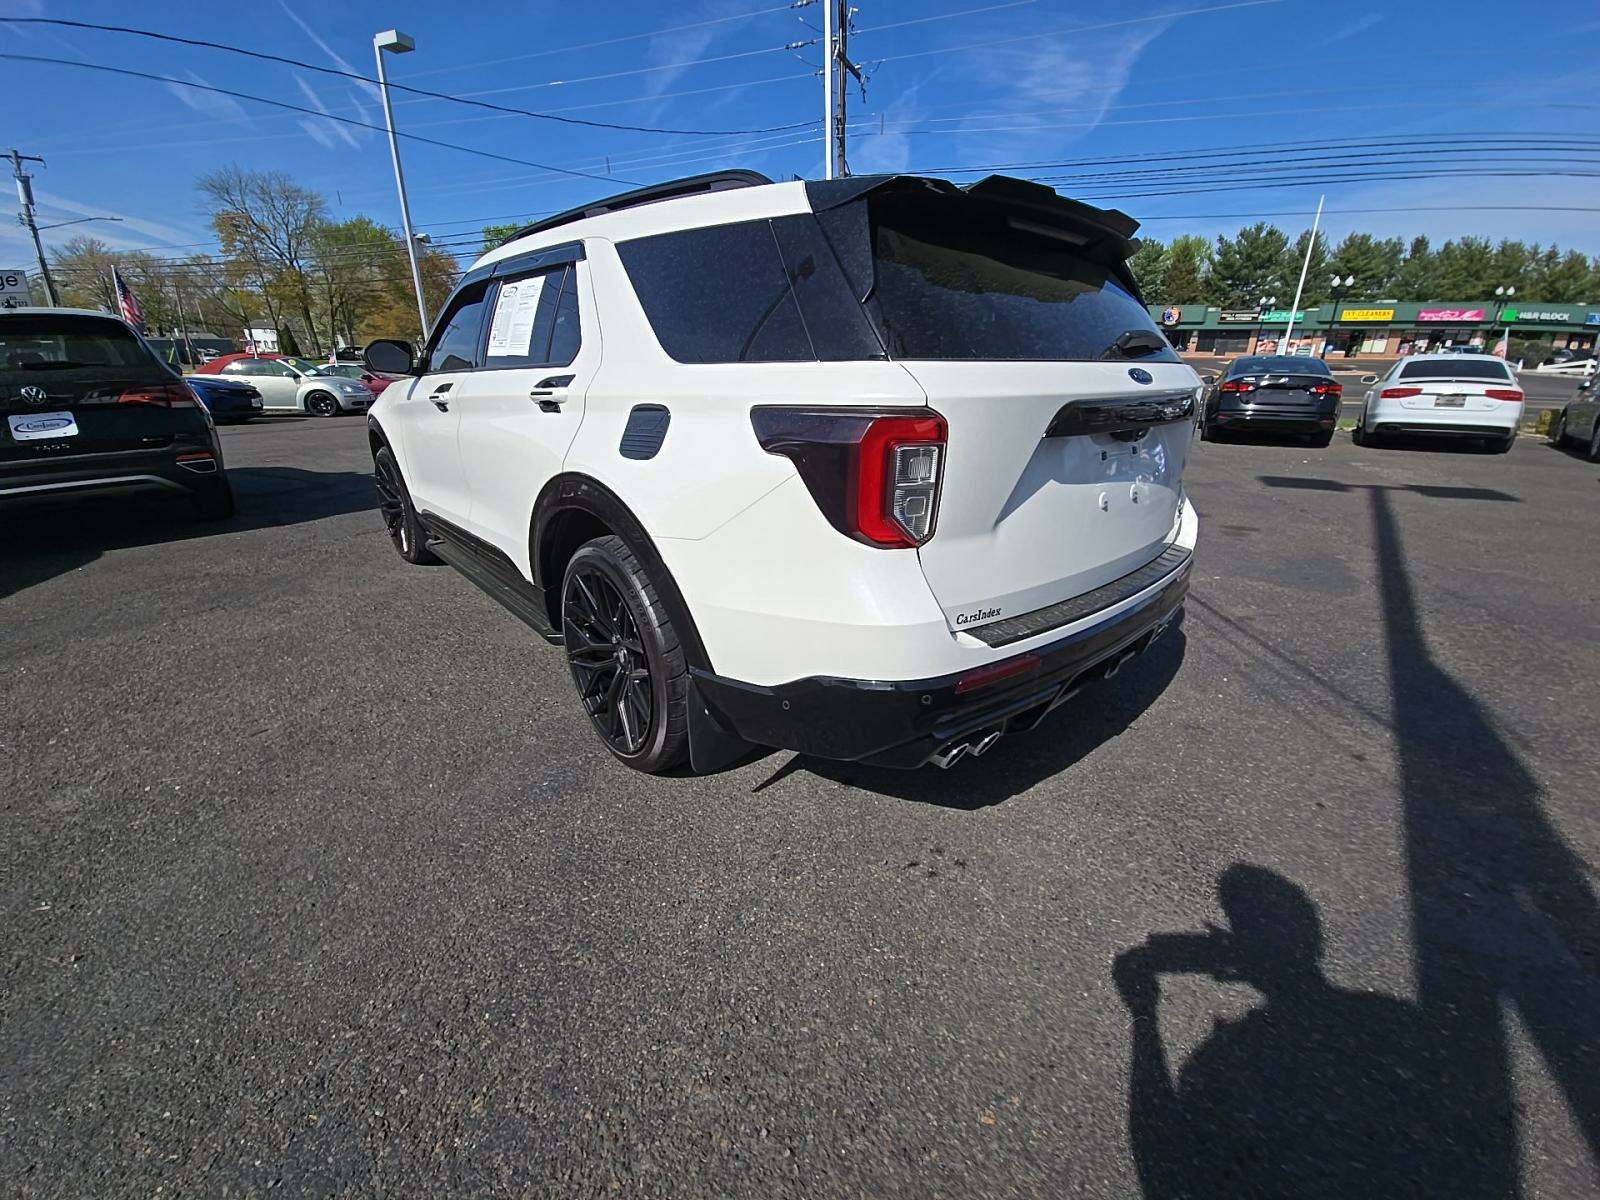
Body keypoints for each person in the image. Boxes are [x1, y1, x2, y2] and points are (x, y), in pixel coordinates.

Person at [1113, 865, 1496, 1198]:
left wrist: (1144, 1017)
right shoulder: (1397, 1023)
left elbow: (1161, 1160)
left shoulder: (1225, 1061)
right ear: (1315, 939)